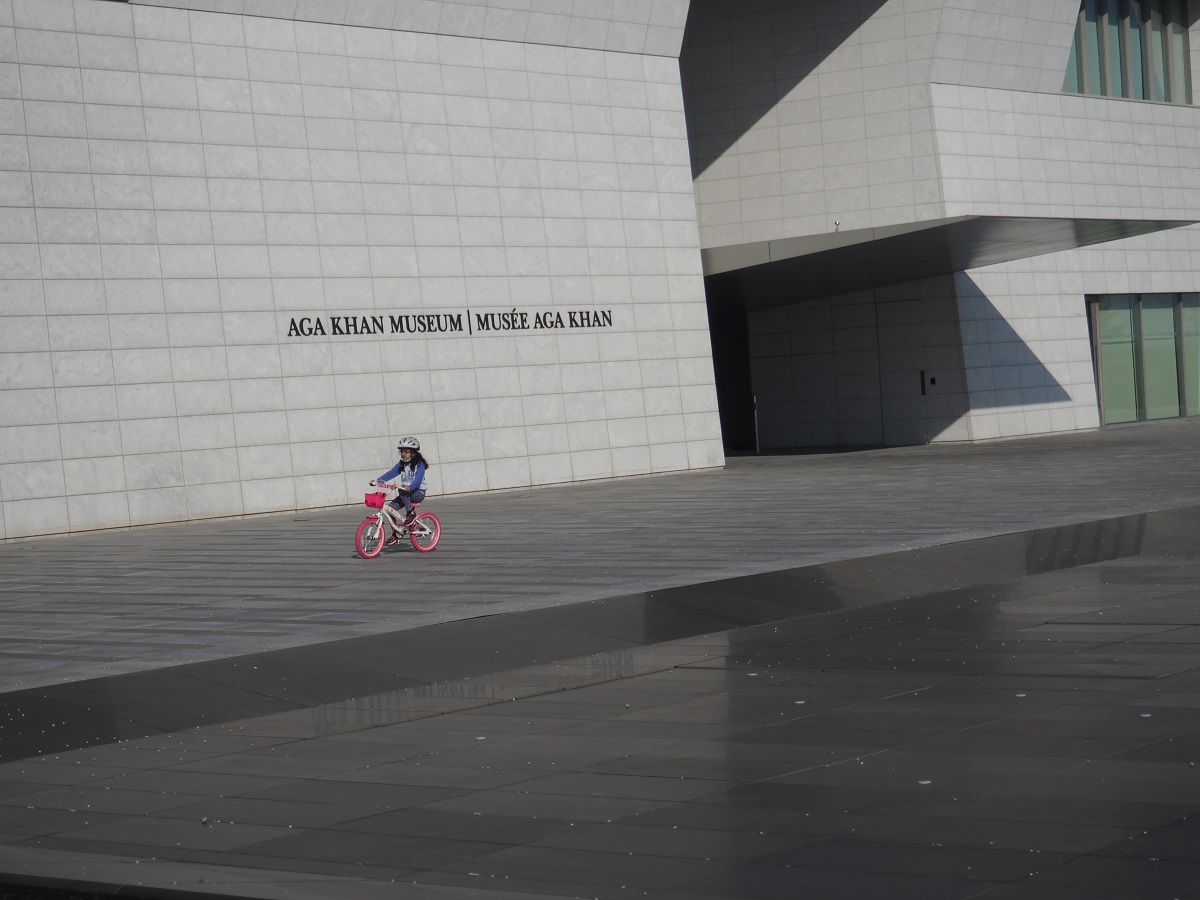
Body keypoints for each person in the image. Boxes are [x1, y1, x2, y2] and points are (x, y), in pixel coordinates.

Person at [371, 437, 430, 528]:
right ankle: (396, 534)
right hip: (405, 493)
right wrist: (378, 481)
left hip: (418, 493)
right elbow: (392, 473)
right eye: (401, 452)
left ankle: (411, 513)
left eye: (406, 452)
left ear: (413, 452)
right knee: (390, 510)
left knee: (401, 489)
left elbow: (418, 480)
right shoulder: (402, 463)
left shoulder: (419, 464)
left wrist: (410, 487)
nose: (403, 454)